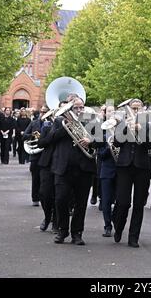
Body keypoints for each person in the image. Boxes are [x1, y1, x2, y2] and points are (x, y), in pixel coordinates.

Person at [52, 97, 98, 245]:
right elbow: (50, 139)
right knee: (60, 199)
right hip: (64, 167)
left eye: (81, 107)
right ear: (69, 109)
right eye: (76, 108)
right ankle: (62, 230)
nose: (79, 110)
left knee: (81, 203)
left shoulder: (91, 121)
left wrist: (91, 141)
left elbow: (102, 140)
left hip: (84, 168)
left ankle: (77, 233)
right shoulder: (60, 121)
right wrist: (67, 128)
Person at [112, 98, 151, 248]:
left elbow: (150, 144)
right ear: (128, 109)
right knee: (123, 202)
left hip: (142, 167)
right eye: (133, 108)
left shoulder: (148, 125)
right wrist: (126, 127)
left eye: (138, 108)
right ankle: (118, 227)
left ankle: (133, 237)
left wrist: (139, 129)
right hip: (124, 166)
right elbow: (116, 142)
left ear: (142, 110)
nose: (135, 111)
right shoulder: (122, 123)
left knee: (138, 204)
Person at [98, 105, 117, 237]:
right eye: (109, 111)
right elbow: (100, 154)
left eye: (113, 111)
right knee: (106, 200)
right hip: (107, 169)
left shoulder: (124, 132)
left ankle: (115, 219)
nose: (111, 114)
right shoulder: (103, 133)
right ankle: (107, 225)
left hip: (121, 171)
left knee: (121, 201)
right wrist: (110, 147)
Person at [23, 105, 48, 206]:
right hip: (35, 155)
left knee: (45, 179)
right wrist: (33, 135)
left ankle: (44, 198)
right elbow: (24, 136)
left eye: (45, 112)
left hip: (46, 154)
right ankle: (35, 198)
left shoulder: (51, 124)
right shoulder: (34, 123)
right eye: (41, 112)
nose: (43, 114)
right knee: (35, 178)